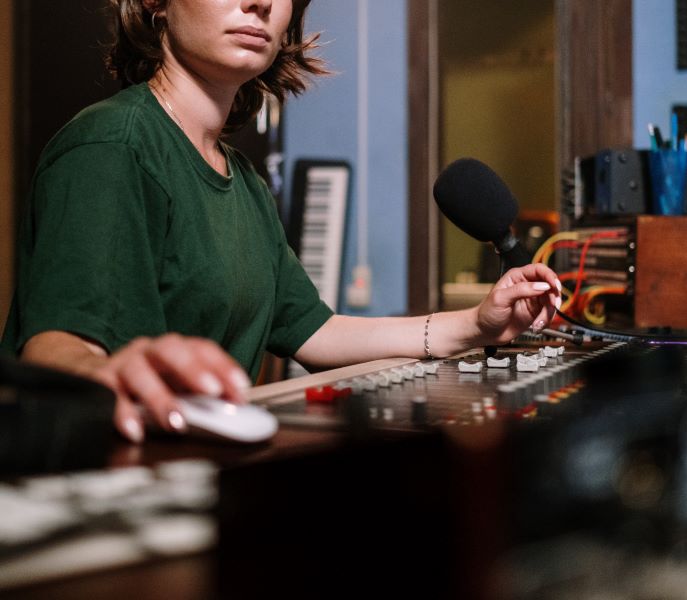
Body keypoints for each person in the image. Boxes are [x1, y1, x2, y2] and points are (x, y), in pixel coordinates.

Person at [0, 0, 561, 444]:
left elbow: (315, 332)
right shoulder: (111, 146)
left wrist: (477, 324)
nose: (260, 3)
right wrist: (110, 376)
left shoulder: (241, 178)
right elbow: (55, 351)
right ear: (157, 2)